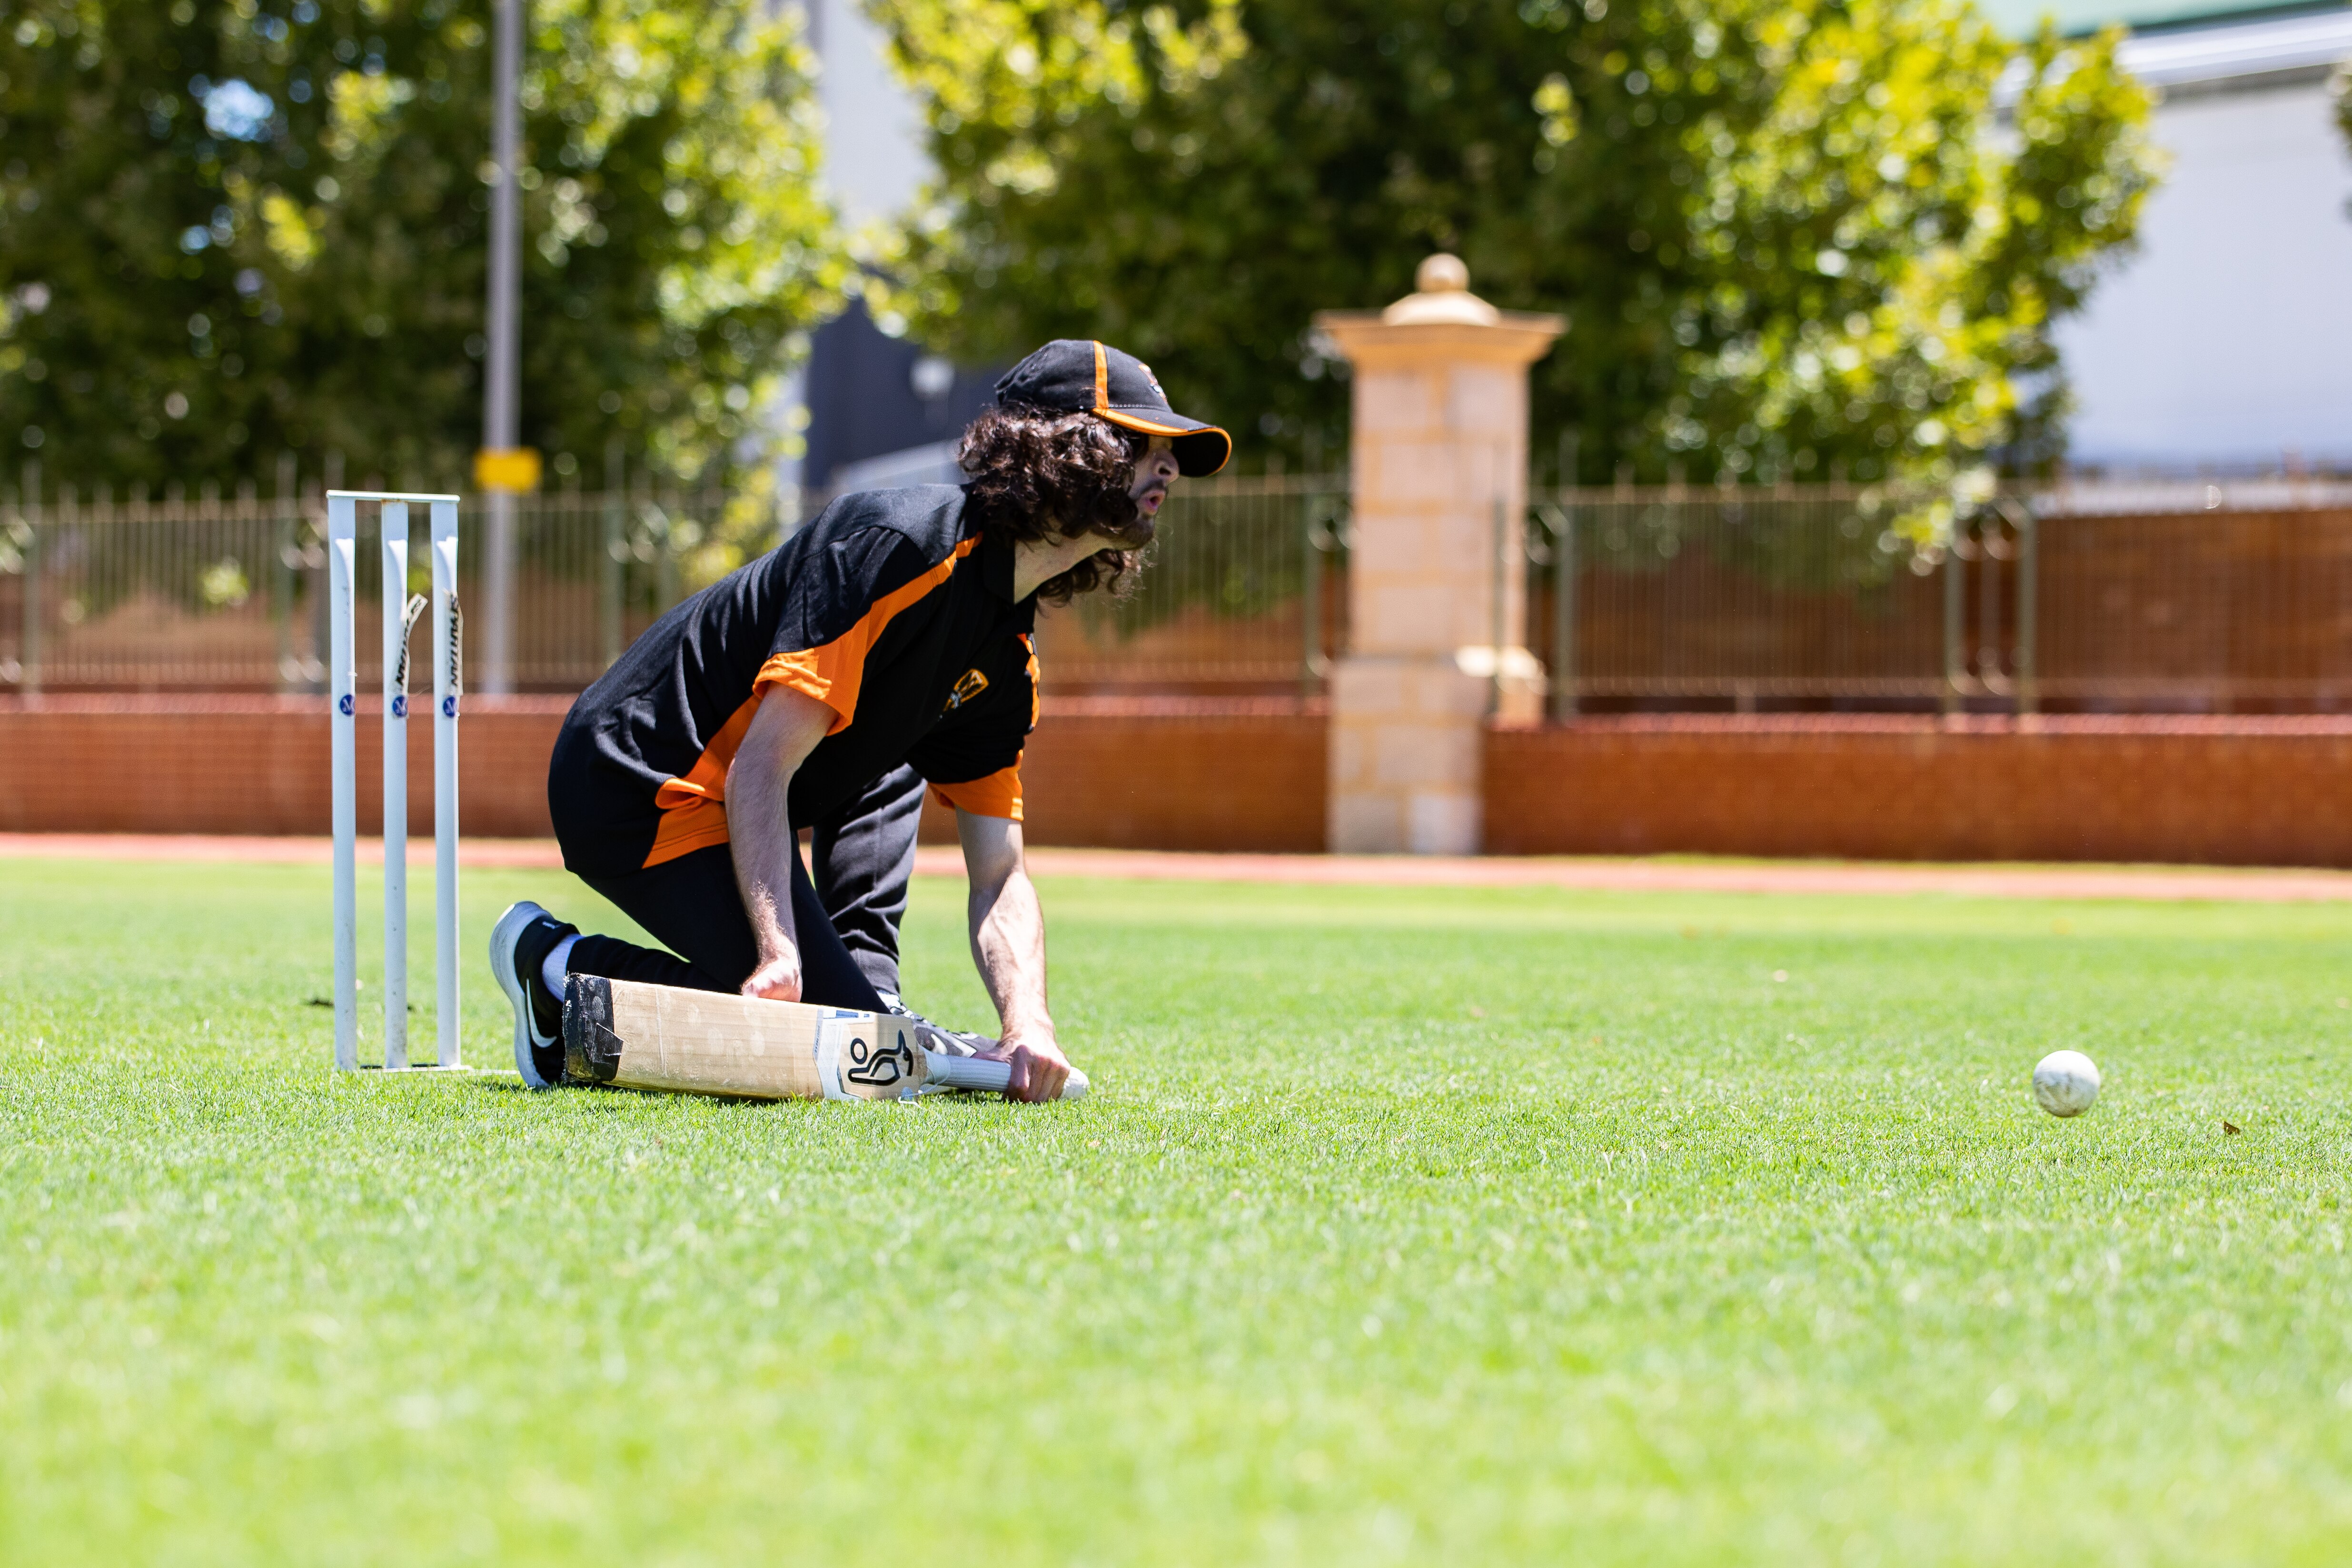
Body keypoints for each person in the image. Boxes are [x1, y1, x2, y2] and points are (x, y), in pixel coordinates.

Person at [486, 340, 1231, 1100]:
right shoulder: (895, 544)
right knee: (841, 1042)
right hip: (635, 777)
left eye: (1171, 452)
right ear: (1057, 445)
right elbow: (761, 764)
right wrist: (778, 953)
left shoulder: (1007, 658)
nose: (1168, 466)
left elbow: (999, 872)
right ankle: (554, 964)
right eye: (1140, 442)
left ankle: (871, 996)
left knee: (865, 1014)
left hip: (751, 790)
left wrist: (1026, 1022)